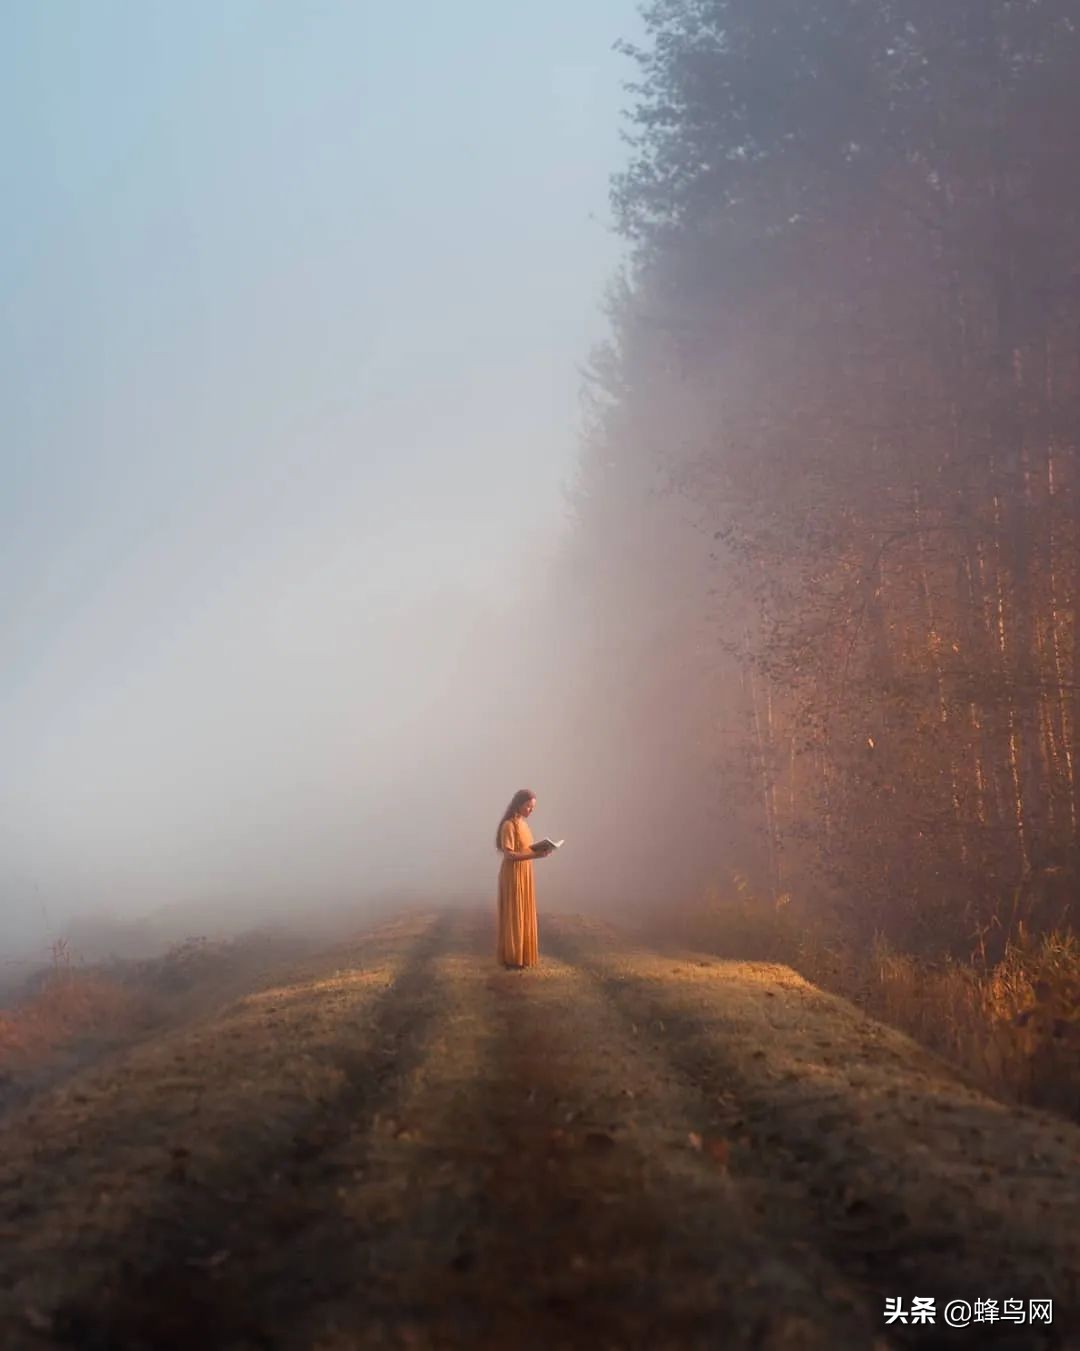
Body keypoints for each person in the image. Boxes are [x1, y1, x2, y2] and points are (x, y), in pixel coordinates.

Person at [495, 788, 553, 968]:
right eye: (528, 806)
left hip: (525, 871)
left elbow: (526, 848)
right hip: (513, 873)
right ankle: (513, 958)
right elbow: (509, 854)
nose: (531, 810)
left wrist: (541, 850)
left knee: (524, 911)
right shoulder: (509, 825)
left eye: (533, 807)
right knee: (515, 912)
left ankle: (524, 956)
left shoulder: (524, 824)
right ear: (519, 804)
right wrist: (535, 856)